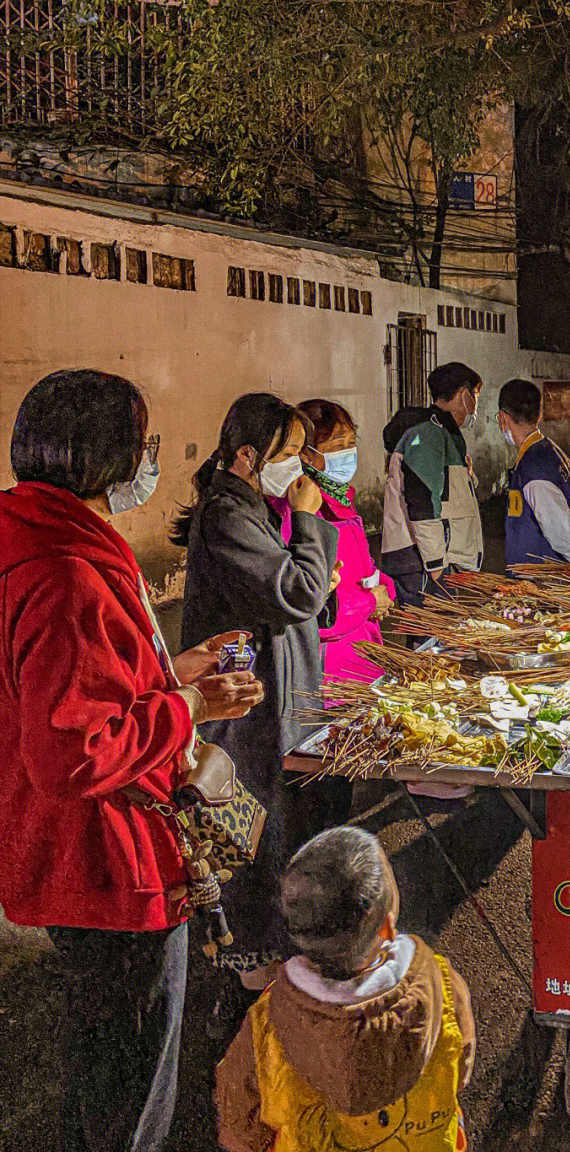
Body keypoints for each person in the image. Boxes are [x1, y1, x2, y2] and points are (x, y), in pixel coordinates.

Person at [0, 369, 263, 1152]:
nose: (151, 459)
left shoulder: (36, 539)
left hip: (63, 854)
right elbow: (72, 751)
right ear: (107, 455)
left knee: (104, 1067)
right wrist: (190, 709)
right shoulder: (68, 573)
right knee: (132, 1091)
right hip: (107, 864)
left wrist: (171, 671)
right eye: (144, 442)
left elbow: (69, 690)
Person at [175, 393, 347, 988]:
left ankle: (267, 949)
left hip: (273, 692)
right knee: (249, 828)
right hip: (248, 704)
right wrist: (308, 522)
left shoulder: (251, 507)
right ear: (251, 454)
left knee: (275, 825)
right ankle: (248, 962)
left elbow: (300, 594)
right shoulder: (227, 516)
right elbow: (294, 592)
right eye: (291, 454)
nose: (301, 468)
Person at [216, 826, 475, 1152]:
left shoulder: (266, 1022)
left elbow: (241, 1127)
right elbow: (461, 1067)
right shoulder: (441, 982)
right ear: (388, 926)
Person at [267, 399, 395, 688]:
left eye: (351, 443)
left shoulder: (342, 501)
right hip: (330, 673)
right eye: (337, 446)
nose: (348, 453)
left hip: (364, 656)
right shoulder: (297, 514)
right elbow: (308, 608)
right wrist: (371, 601)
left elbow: (363, 568)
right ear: (307, 455)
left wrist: (386, 587)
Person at [381, 363, 484, 605]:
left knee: (437, 635)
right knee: (429, 638)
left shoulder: (441, 434)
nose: (477, 404)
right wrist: (437, 566)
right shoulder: (428, 434)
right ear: (464, 395)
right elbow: (422, 500)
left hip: (427, 559)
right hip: (421, 563)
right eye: (476, 395)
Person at [497, 378, 570, 566]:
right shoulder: (551, 451)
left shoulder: (534, 467)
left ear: (502, 418)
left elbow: (560, 528)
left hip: (543, 579)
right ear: (540, 414)